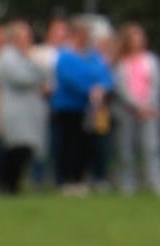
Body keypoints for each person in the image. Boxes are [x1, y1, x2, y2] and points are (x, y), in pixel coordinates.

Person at [47, 18, 112, 193]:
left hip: (90, 108)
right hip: (68, 108)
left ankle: (80, 178)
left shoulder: (93, 55)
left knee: (87, 144)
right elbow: (71, 78)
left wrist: (102, 88)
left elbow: (104, 75)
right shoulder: (65, 55)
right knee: (69, 144)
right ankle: (66, 180)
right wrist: (90, 88)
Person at [0, 21, 50, 195]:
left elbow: (44, 74)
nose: (28, 39)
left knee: (25, 148)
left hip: (29, 111)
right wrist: (37, 76)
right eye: (24, 36)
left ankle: (13, 185)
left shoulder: (26, 55)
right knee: (16, 147)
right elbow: (20, 77)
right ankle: (7, 185)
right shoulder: (7, 55)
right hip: (15, 110)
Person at [108, 25, 160, 195]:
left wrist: (148, 105)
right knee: (125, 148)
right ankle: (127, 184)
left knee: (152, 147)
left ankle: (157, 183)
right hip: (127, 111)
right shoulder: (121, 63)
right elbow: (121, 88)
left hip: (150, 111)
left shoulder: (152, 60)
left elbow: (157, 84)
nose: (138, 40)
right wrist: (137, 106)